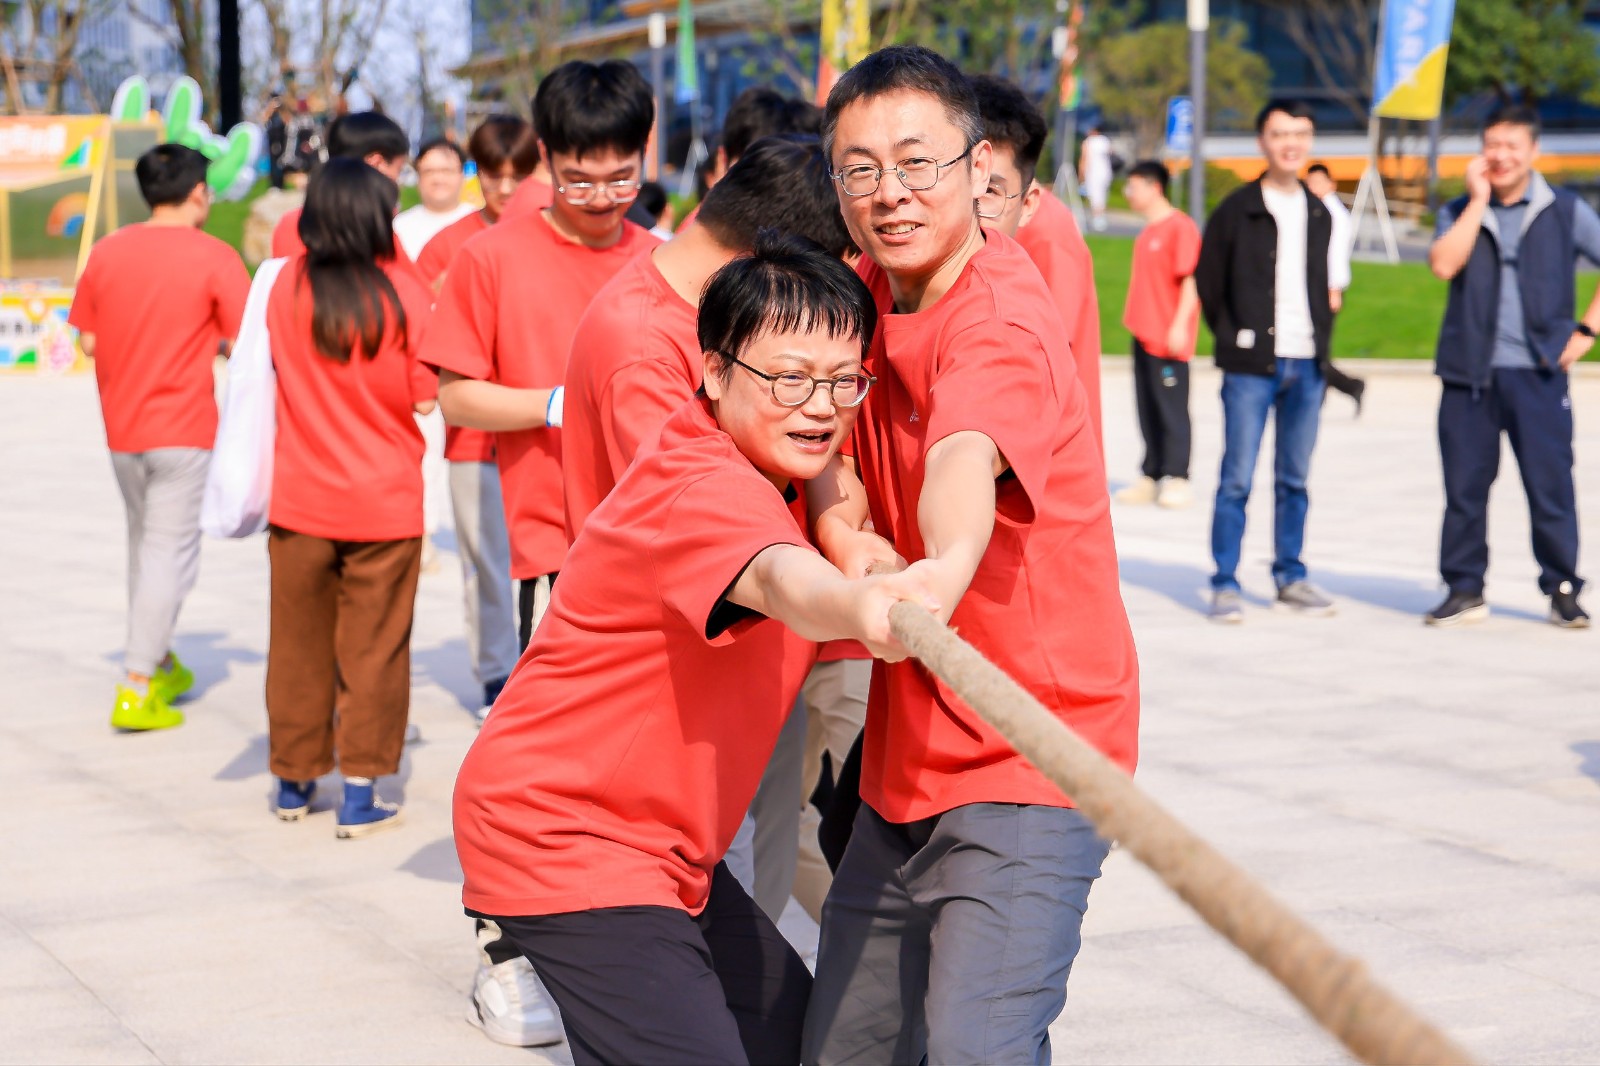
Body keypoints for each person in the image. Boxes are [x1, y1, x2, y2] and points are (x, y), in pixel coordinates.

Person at [454, 234, 938, 1065]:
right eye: (789, 378)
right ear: (713, 372)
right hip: (565, 835)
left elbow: (828, 482)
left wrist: (840, 522)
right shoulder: (701, 485)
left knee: (800, 1047)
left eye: (842, 381)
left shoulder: (773, 463)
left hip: (666, 851)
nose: (820, 406)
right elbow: (779, 578)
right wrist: (856, 602)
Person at [801, 46, 1140, 1065]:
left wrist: (942, 568)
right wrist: (843, 528)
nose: (889, 192)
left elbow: (963, 453)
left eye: (917, 162)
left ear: (975, 164)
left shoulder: (1000, 316)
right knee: (847, 1048)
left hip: (1031, 748)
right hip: (906, 755)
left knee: (975, 1048)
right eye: (860, 169)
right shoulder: (862, 288)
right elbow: (824, 436)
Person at [421, 58, 660, 1050]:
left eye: (621, 176)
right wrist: (557, 403)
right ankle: (509, 948)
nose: (602, 198)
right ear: (545, 160)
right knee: (538, 757)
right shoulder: (492, 258)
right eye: (578, 178)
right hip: (554, 545)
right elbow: (456, 393)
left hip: (655, 547)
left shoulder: (663, 257)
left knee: (637, 759)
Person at [562, 134, 859, 922]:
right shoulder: (646, 345)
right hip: (686, 673)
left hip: (748, 650)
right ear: (777, 259)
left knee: (756, 882)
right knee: (714, 892)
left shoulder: (685, 311)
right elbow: (708, 520)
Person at [262, 159, 437, 837]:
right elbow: (425, 398)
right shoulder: (404, 292)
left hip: (298, 499)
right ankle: (361, 793)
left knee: (296, 644)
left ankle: (293, 781)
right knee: (376, 649)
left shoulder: (285, 285)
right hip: (384, 501)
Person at [68, 144, 250, 731]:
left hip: (122, 428)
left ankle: (161, 659)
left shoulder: (106, 252)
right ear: (198, 192)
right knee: (169, 554)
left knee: (144, 545)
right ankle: (137, 684)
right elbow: (245, 346)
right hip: (184, 428)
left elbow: (89, 341)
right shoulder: (215, 256)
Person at [1425, 104, 1594, 629]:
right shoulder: (1459, 209)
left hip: (1538, 373)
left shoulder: (1564, 209)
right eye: (1492, 145)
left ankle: (1562, 588)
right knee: (1464, 490)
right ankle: (1464, 589)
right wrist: (1478, 201)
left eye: (1511, 146)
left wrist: (1587, 331)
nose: (1500, 156)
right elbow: (1443, 264)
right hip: (1468, 374)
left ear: (1533, 151)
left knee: (1550, 487)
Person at [416, 115, 540, 719]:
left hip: (544, 430)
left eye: (518, 175)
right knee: (485, 564)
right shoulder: (449, 246)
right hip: (474, 437)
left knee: (557, 561)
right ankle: (496, 674)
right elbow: (420, 329)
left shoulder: (551, 237)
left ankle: (546, 673)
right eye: (494, 175)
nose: (505, 188)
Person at [1195, 99, 1336, 624]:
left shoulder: (1320, 212)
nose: (1290, 144)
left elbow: (1324, 287)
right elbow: (1209, 282)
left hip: (1308, 363)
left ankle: (1290, 576)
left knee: (1294, 479)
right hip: (1251, 367)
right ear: (1263, 142)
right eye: (1280, 134)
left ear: (1309, 141)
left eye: (1300, 133)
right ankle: (1225, 582)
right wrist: (1236, 337)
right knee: (1237, 478)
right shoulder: (1237, 210)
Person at [968, 72, 1106, 454]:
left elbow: (1049, 347)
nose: (971, 205)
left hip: (1044, 448)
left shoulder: (1048, 229)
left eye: (989, 190)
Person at [1117, 159, 1200, 509]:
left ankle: (1177, 477)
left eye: (1133, 186)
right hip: (1144, 332)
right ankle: (1151, 474)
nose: (1128, 193)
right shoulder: (1148, 232)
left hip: (1168, 336)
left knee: (1171, 409)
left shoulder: (1180, 228)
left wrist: (1180, 324)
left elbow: (1191, 280)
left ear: (1154, 187)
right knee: (1147, 407)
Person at [270, 111, 411, 259]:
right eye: (399, 170)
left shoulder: (291, 225)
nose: (399, 183)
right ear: (376, 164)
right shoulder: (381, 229)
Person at [679, 86, 823, 229]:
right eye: (749, 170)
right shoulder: (697, 233)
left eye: (773, 174)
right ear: (721, 162)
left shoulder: (810, 232)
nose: (761, 187)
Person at [1305, 162, 1366, 414]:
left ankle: (1345, 387)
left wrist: (1334, 290)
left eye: (1318, 182)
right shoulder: (1314, 209)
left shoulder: (1333, 215)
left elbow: (1335, 255)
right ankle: (1340, 388)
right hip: (1312, 287)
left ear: (1331, 185)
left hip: (1326, 289)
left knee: (1315, 348)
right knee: (1311, 345)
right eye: (1310, 182)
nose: (1313, 187)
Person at [393, 137, 475, 259]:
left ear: (462, 175)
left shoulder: (481, 222)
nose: (438, 179)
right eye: (429, 172)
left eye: (446, 171)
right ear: (418, 177)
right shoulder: (398, 227)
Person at [1079, 123, 1114, 231]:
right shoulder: (1104, 140)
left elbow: (1084, 158)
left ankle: (1097, 218)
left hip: (1093, 173)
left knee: (1095, 196)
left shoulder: (1088, 142)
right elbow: (1111, 152)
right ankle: (1100, 217)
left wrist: (1081, 173)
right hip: (1106, 172)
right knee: (1102, 195)